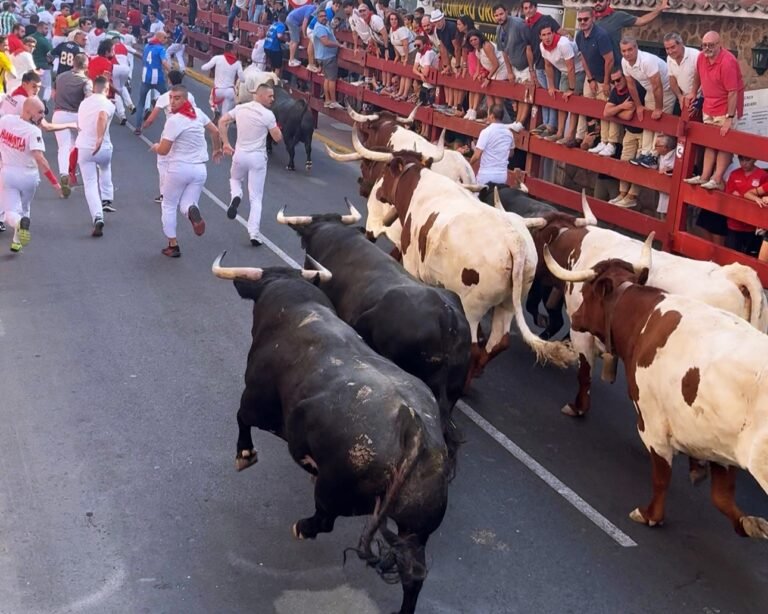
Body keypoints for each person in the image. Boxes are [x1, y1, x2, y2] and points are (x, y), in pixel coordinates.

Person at [150, 85, 223, 258]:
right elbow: (215, 131)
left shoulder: (174, 121)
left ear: (185, 99)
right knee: (188, 203)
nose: (172, 102)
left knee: (168, 204)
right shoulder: (198, 113)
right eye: (171, 98)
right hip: (199, 169)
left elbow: (164, 150)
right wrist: (216, 149)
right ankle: (193, 213)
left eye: (177, 98)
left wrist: (155, 147)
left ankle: (173, 244)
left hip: (178, 168)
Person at [218, 82, 282, 246]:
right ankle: (254, 233)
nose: (272, 99)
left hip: (239, 154)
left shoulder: (240, 109)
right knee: (256, 198)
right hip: (258, 159)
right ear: (260, 96)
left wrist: (225, 143)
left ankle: (236, 196)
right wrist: (275, 127)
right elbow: (278, 138)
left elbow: (223, 121)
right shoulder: (268, 115)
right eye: (270, 96)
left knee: (234, 179)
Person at [0, 97, 65, 253]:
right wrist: (55, 183)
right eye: (40, 112)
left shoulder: (6, 121)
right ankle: (17, 241)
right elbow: (40, 158)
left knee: (9, 212)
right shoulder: (33, 131)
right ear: (28, 111)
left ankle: (18, 225)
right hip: (29, 176)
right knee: (25, 207)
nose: (43, 115)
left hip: (8, 173)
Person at [683, 31, 744, 191]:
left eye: (711, 45)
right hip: (709, 105)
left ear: (719, 44)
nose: (707, 48)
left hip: (725, 106)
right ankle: (704, 176)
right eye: (704, 45)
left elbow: (733, 91)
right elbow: (697, 75)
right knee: (710, 142)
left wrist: (730, 117)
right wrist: (693, 92)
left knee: (723, 143)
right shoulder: (701, 57)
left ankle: (717, 178)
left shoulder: (727, 61)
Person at [141, 70, 197, 204]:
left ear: (170, 81)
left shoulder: (165, 96)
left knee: (163, 163)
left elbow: (151, 118)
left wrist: (143, 126)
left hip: (170, 133)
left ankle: (165, 194)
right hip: (187, 132)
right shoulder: (190, 96)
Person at [620, 36, 675, 168]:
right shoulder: (624, 62)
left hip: (666, 89)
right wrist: (638, 106)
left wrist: (659, 108)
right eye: (623, 51)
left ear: (636, 48)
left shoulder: (647, 61)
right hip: (650, 90)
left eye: (629, 50)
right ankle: (644, 153)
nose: (627, 54)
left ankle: (654, 156)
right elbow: (631, 84)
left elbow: (658, 86)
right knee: (647, 121)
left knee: (659, 122)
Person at [76, 75, 115, 236]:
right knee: (105, 168)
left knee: (90, 184)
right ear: (106, 89)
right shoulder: (108, 104)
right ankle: (107, 196)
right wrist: (99, 138)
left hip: (84, 147)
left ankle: (97, 216)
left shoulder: (84, 103)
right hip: (104, 147)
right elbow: (101, 116)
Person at [603, 68, 645, 208]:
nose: (616, 84)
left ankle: (631, 196)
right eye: (613, 81)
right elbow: (606, 112)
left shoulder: (635, 88)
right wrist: (621, 106)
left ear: (625, 77)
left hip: (644, 132)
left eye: (619, 80)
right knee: (624, 161)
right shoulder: (616, 91)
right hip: (630, 131)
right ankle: (622, 194)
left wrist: (616, 111)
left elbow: (627, 116)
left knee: (638, 165)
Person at [575, 8, 614, 156]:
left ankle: (604, 141)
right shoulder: (579, 36)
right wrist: (590, 78)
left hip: (605, 77)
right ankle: (586, 135)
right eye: (580, 20)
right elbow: (583, 58)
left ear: (593, 19)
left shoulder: (601, 35)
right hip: (590, 76)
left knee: (603, 109)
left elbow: (609, 60)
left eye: (585, 19)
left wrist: (605, 82)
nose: (583, 22)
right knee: (587, 107)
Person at [540, 24, 584, 147]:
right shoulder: (542, 47)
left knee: (573, 101)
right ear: (540, 37)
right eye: (544, 35)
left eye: (549, 33)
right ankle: (559, 132)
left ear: (554, 33)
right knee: (561, 101)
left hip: (578, 70)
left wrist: (571, 88)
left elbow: (571, 66)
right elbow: (547, 65)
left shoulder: (563, 44)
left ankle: (569, 135)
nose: (547, 37)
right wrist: (551, 86)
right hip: (564, 72)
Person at [522, 0, 560, 136]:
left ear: (535, 7)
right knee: (544, 95)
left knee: (553, 92)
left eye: (530, 7)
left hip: (552, 63)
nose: (528, 10)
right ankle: (546, 122)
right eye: (525, 8)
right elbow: (528, 49)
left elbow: (561, 33)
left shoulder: (546, 19)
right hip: (538, 65)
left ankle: (552, 125)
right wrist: (531, 70)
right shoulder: (525, 26)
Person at [52, 52, 89, 188]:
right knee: (80, 144)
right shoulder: (85, 81)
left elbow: (53, 96)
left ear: (73, 63)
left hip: (59, 114)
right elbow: (88, 99)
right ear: (85, 65)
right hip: (77, 116)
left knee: (63, 147)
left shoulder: (60, 76)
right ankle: (76, 172)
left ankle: (63, 174)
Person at [493, 4, 533, 131]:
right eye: (496, 15)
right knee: (519, 95)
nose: (499, 17)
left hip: (526, 64)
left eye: (501, 14)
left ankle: (521, 122)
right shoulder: (499, 29)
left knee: (526, 94)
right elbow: (504, 51)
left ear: (506, 12)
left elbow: (529, 46)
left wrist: (532, 69)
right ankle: (517, 121)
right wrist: (510, 72)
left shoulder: (519, 24)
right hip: (515, 66)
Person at [721, 156, 768, 254]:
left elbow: (763, 198)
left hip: (752, 225)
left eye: (747, 160)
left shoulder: (763, 175)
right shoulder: (734, 174)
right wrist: (755, 198)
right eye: (741, 160)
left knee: (751, 257)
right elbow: (729, 196)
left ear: (755, 159)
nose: (744, 163)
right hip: (734, 223)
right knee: (731, 254)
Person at [593, 0, 668, 59]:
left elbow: (641, 21)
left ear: (608, 1)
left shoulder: (617, 16)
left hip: (615, 65)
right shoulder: (588, 19)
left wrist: (660, 9)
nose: (597, 3)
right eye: (595, 1)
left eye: (601, 0)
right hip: (596, 66)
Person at [470, 103, 514, 186]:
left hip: (486, 174)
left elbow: (477, 155)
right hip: (502, 175)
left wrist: (469, 165)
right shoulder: (509, 133)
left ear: (492, 116)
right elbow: (511, 153)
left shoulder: (486, 132)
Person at [201, 42, 244, 121]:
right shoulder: (238, 63)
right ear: (232, 51)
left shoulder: (217, 58)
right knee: (225, 115)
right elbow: (242, 79)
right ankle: (223, 130)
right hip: (230, 90)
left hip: (218, 90)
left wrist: (204, 65)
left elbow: (204, 68)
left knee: (211, 101)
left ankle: (216, 110)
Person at [312, 6, 342, 109]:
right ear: (317, 18)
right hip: (327, 56)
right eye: (321, 16)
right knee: (332, 79)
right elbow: (325, 42)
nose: (324, 17)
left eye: (325, 16)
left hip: (323, 56)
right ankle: (333, 101)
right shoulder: (320, 27)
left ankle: (327, 100)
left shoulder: (323, 25)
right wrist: (338, 45)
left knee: (327, 79)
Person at [138, 30, 170, 125]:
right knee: (167, 97)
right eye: (165, 38)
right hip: (157, 76)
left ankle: (139, 124)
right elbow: (164, 62)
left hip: (146, 75)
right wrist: (171, 71)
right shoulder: (161, 49)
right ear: (159, 37)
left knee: (142, 99)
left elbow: (143, 58)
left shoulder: (147, 46)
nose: (166, 40)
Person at [663, 32, 699, 114]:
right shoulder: (669, 58)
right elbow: (672, 79)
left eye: (672, 47)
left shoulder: (695, 55)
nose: (670, 51)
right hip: (685, 98)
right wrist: (679, 96)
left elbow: (702, 76)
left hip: (699, 98)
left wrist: (696, 96)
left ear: (681, 44)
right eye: (667, 49)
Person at [285, 0, 315, 67]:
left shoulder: (307, 7)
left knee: (292, 40)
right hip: (293, 21)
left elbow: (302, 25)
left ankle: (291, 58)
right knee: (296, 40)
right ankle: (292, 59)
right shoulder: (311, 9)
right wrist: (304, 35)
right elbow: (304, 23)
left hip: (289, 18)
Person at [29, 19, 52, 105]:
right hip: (44, 66)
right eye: (45, 28)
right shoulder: (44, 40)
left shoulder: (29, 38)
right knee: (48, 87)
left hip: (32, 66)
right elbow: (51, 52)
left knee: (33, 86)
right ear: (40, 28)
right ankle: (45, 101)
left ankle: (33, 101)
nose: (47, 31)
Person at [653, 134, 675, 218]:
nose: (655, 148)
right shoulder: (658, 155)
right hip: (660, 191)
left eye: (657, 145)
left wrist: (669, 170)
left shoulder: (676, 156)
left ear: (665, 147)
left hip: (671, 193)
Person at [263, 11, 286, 75]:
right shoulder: (282, 25)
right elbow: (279, 35)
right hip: (274, 48)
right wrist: (286, 39)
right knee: (277, 67)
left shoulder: (273, 24)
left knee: (271, 65)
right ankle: (275, 82)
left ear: (278, 19)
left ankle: (269, 78)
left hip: (266, 46)